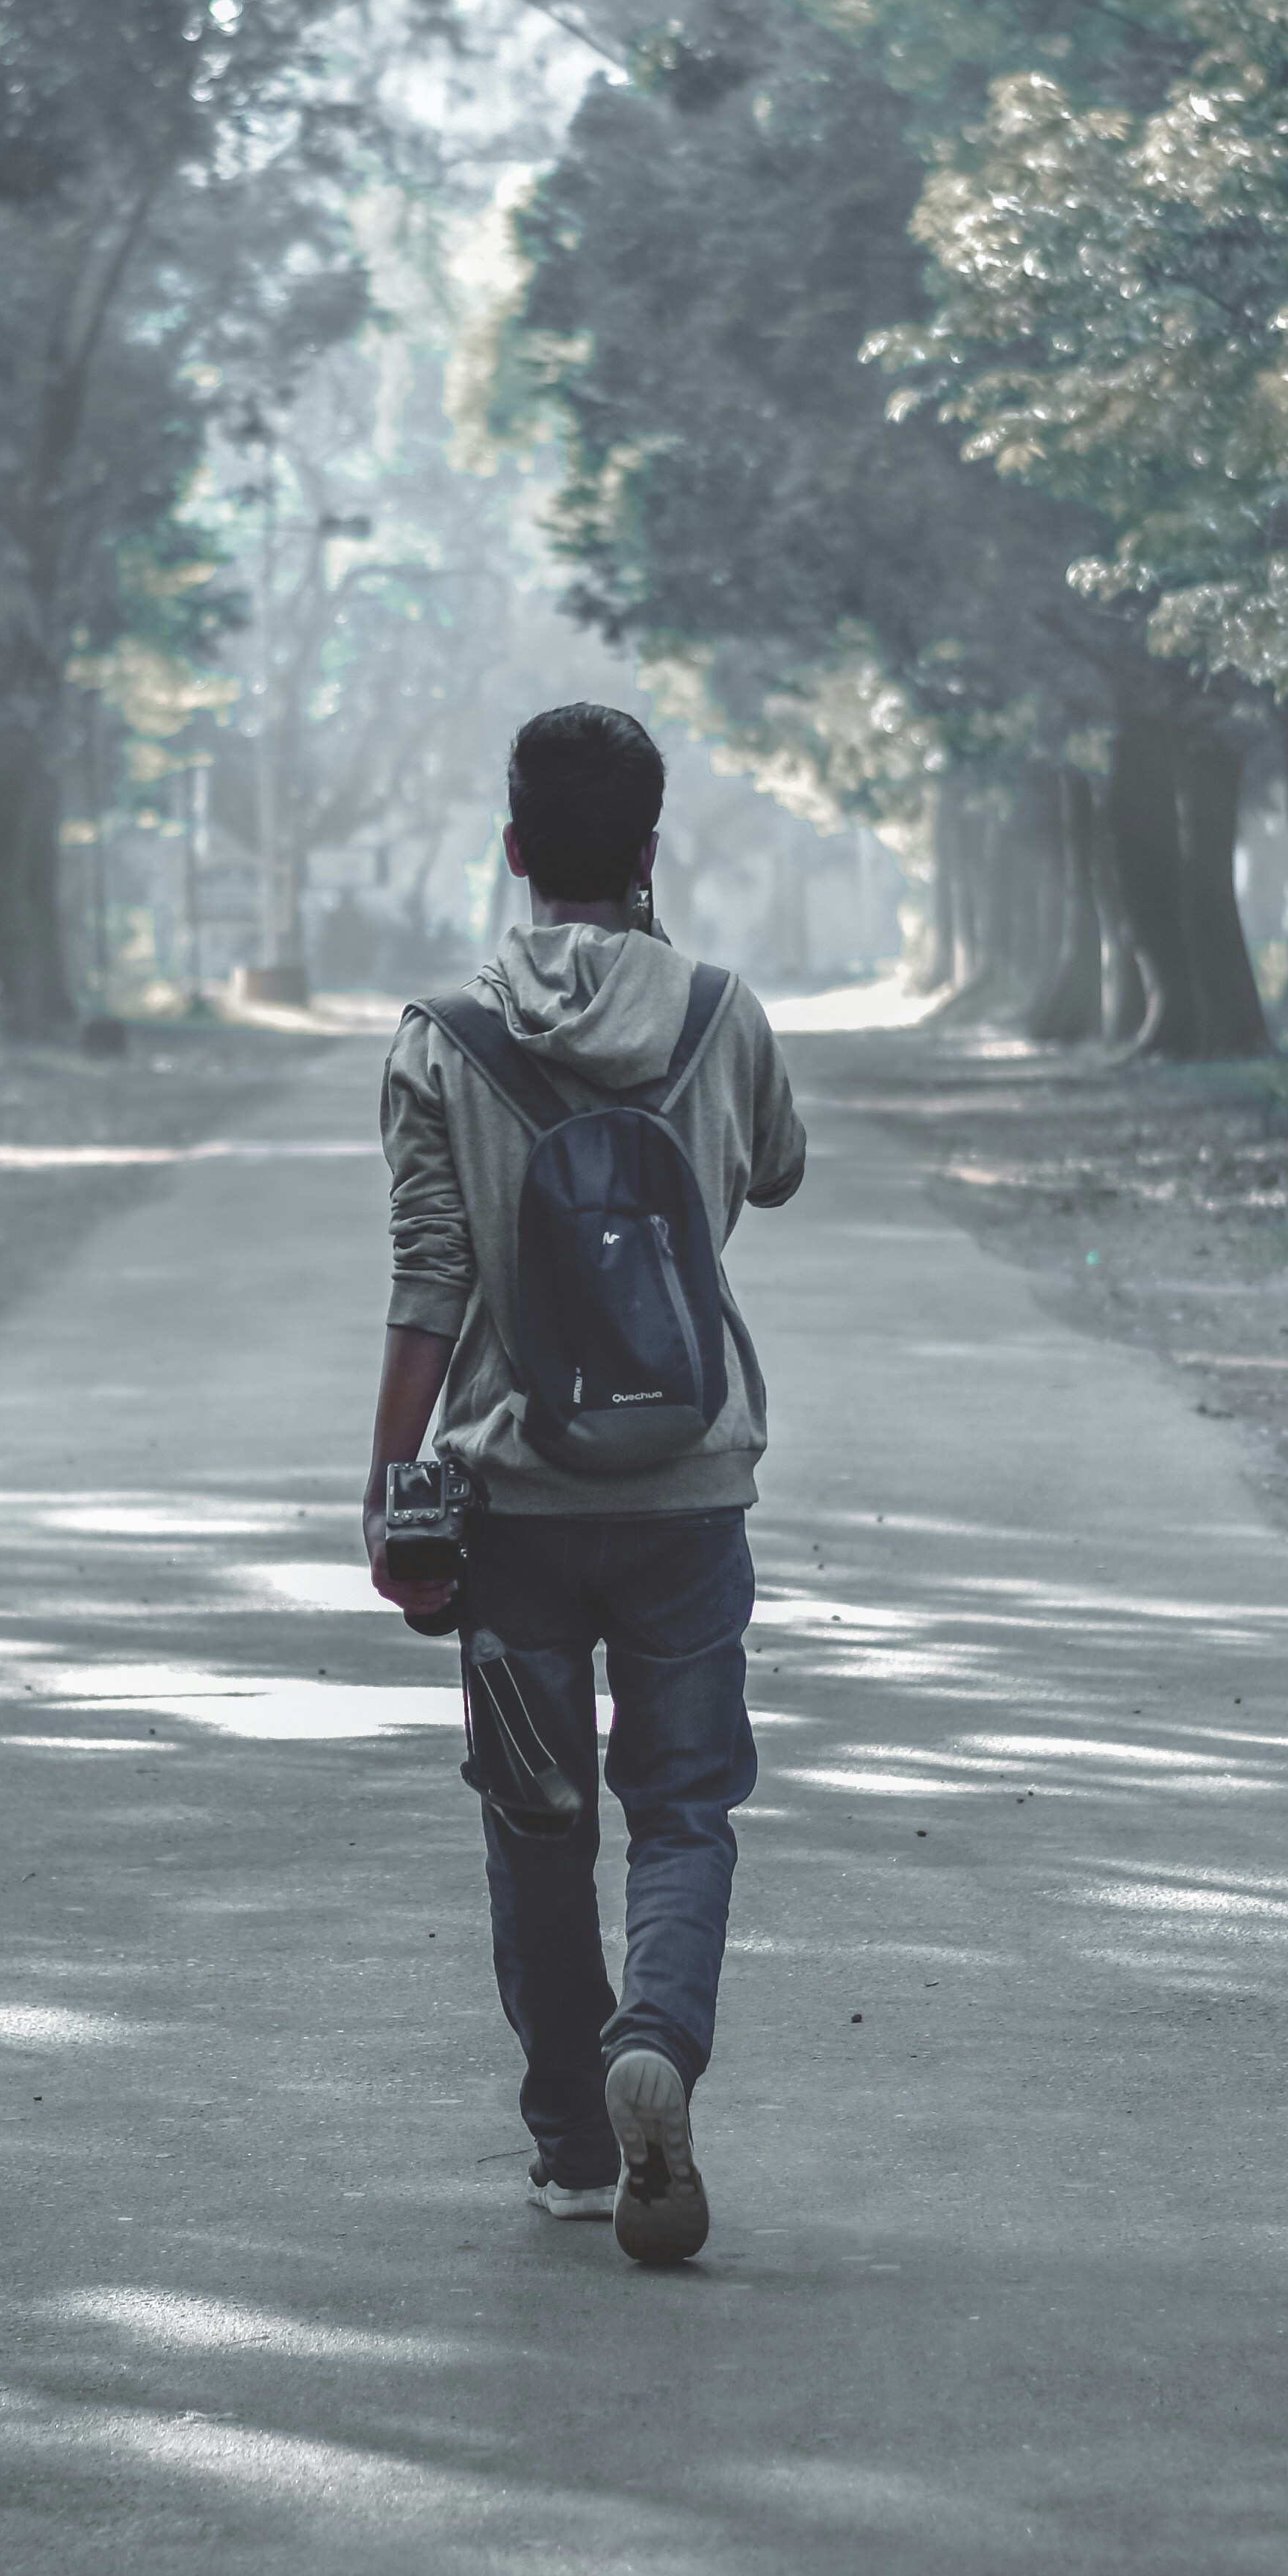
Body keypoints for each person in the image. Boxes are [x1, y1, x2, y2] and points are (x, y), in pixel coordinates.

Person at [362, 703, 806, 2265]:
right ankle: (654, 2046)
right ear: (645, 851)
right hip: (687, 1485)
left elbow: (428, 1277)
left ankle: (566, 2142)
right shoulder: (720, 1012)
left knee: (533, 1819)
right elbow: (773, 1170)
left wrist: (382, 1483)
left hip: (510, 1492)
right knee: (683, 1809)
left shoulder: (442, 1036)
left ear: (510, 853)